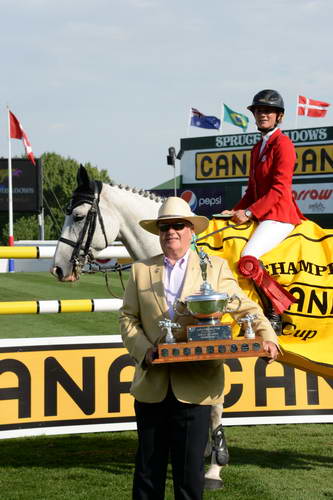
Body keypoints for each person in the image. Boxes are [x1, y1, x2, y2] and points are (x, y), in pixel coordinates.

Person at [119, 196, 279, 500]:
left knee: (189, 480)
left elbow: (245, 308)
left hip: (197, 388)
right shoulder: (140, 270)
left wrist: (267, 336)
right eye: (164, 227)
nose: (171, 232)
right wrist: (145, 350)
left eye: (178, 225)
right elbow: (127, 316)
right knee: (146, 477)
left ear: (191, 230)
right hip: (151, 387)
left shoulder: (215, 268)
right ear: (158, 232)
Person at [222, 89, 306, 329]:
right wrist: (234, 210)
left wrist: (249, 213)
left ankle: (275, 313)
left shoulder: (284, 145)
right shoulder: (257, 148)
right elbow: (251, 191)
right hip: (263, 213)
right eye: (258, 111)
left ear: (279, 116)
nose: (262, 115)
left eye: (267, 111)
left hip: (280, 215)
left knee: (248, 257)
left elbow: (280, 188)